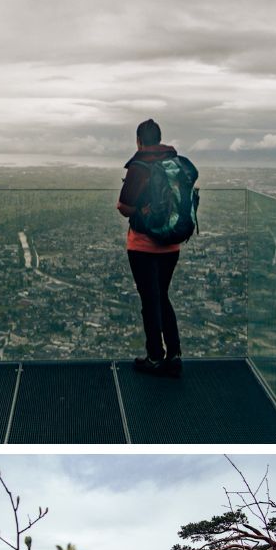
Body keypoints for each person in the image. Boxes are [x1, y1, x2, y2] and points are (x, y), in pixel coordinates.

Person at [118, 118, 186, 377]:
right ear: (159, 138)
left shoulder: (139, 166)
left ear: (139, 140)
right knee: (163, 296)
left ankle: (155, 356)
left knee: (150, 300)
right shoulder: (174, 163)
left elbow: (124, 206)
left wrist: (139, 211)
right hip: (171, 244)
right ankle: (175, 353)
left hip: (143, 245)